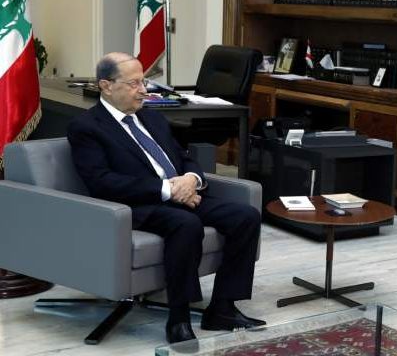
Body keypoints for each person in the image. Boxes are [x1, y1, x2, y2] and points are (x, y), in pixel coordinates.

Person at [67, 52, 266, 344]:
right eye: (134, 84)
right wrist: (168, 190)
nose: (143, 90)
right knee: (185, 224)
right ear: (106, 86)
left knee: (245, 216)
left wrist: (191, 179)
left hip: (182, 193)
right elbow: (102, 182)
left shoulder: (152, 117)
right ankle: (179, 317)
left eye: (144, 82)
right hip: (135, 205)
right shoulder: (87, 127)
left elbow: (184, 157)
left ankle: (223, 308)